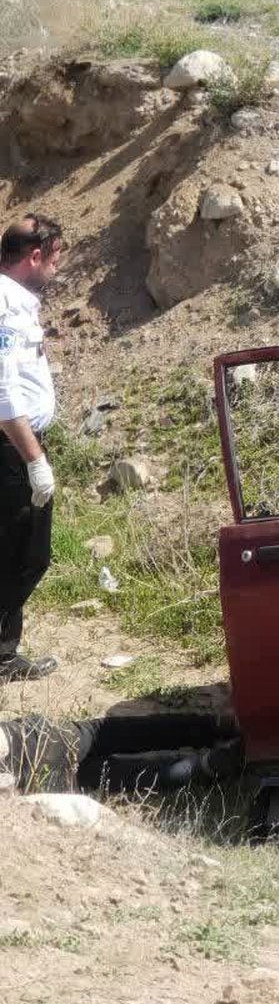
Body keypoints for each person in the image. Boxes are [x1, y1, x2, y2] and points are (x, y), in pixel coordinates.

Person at [0, 214, 63, 683]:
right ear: (35, 256)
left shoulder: (18, 302)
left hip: (16, 444)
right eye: (55, 257)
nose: (57, 269)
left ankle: (4, 653)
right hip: (11, 448)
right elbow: (2, 395)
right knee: (26, 554)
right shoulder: (4, 304)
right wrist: (34, 460)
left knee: (14, 551)